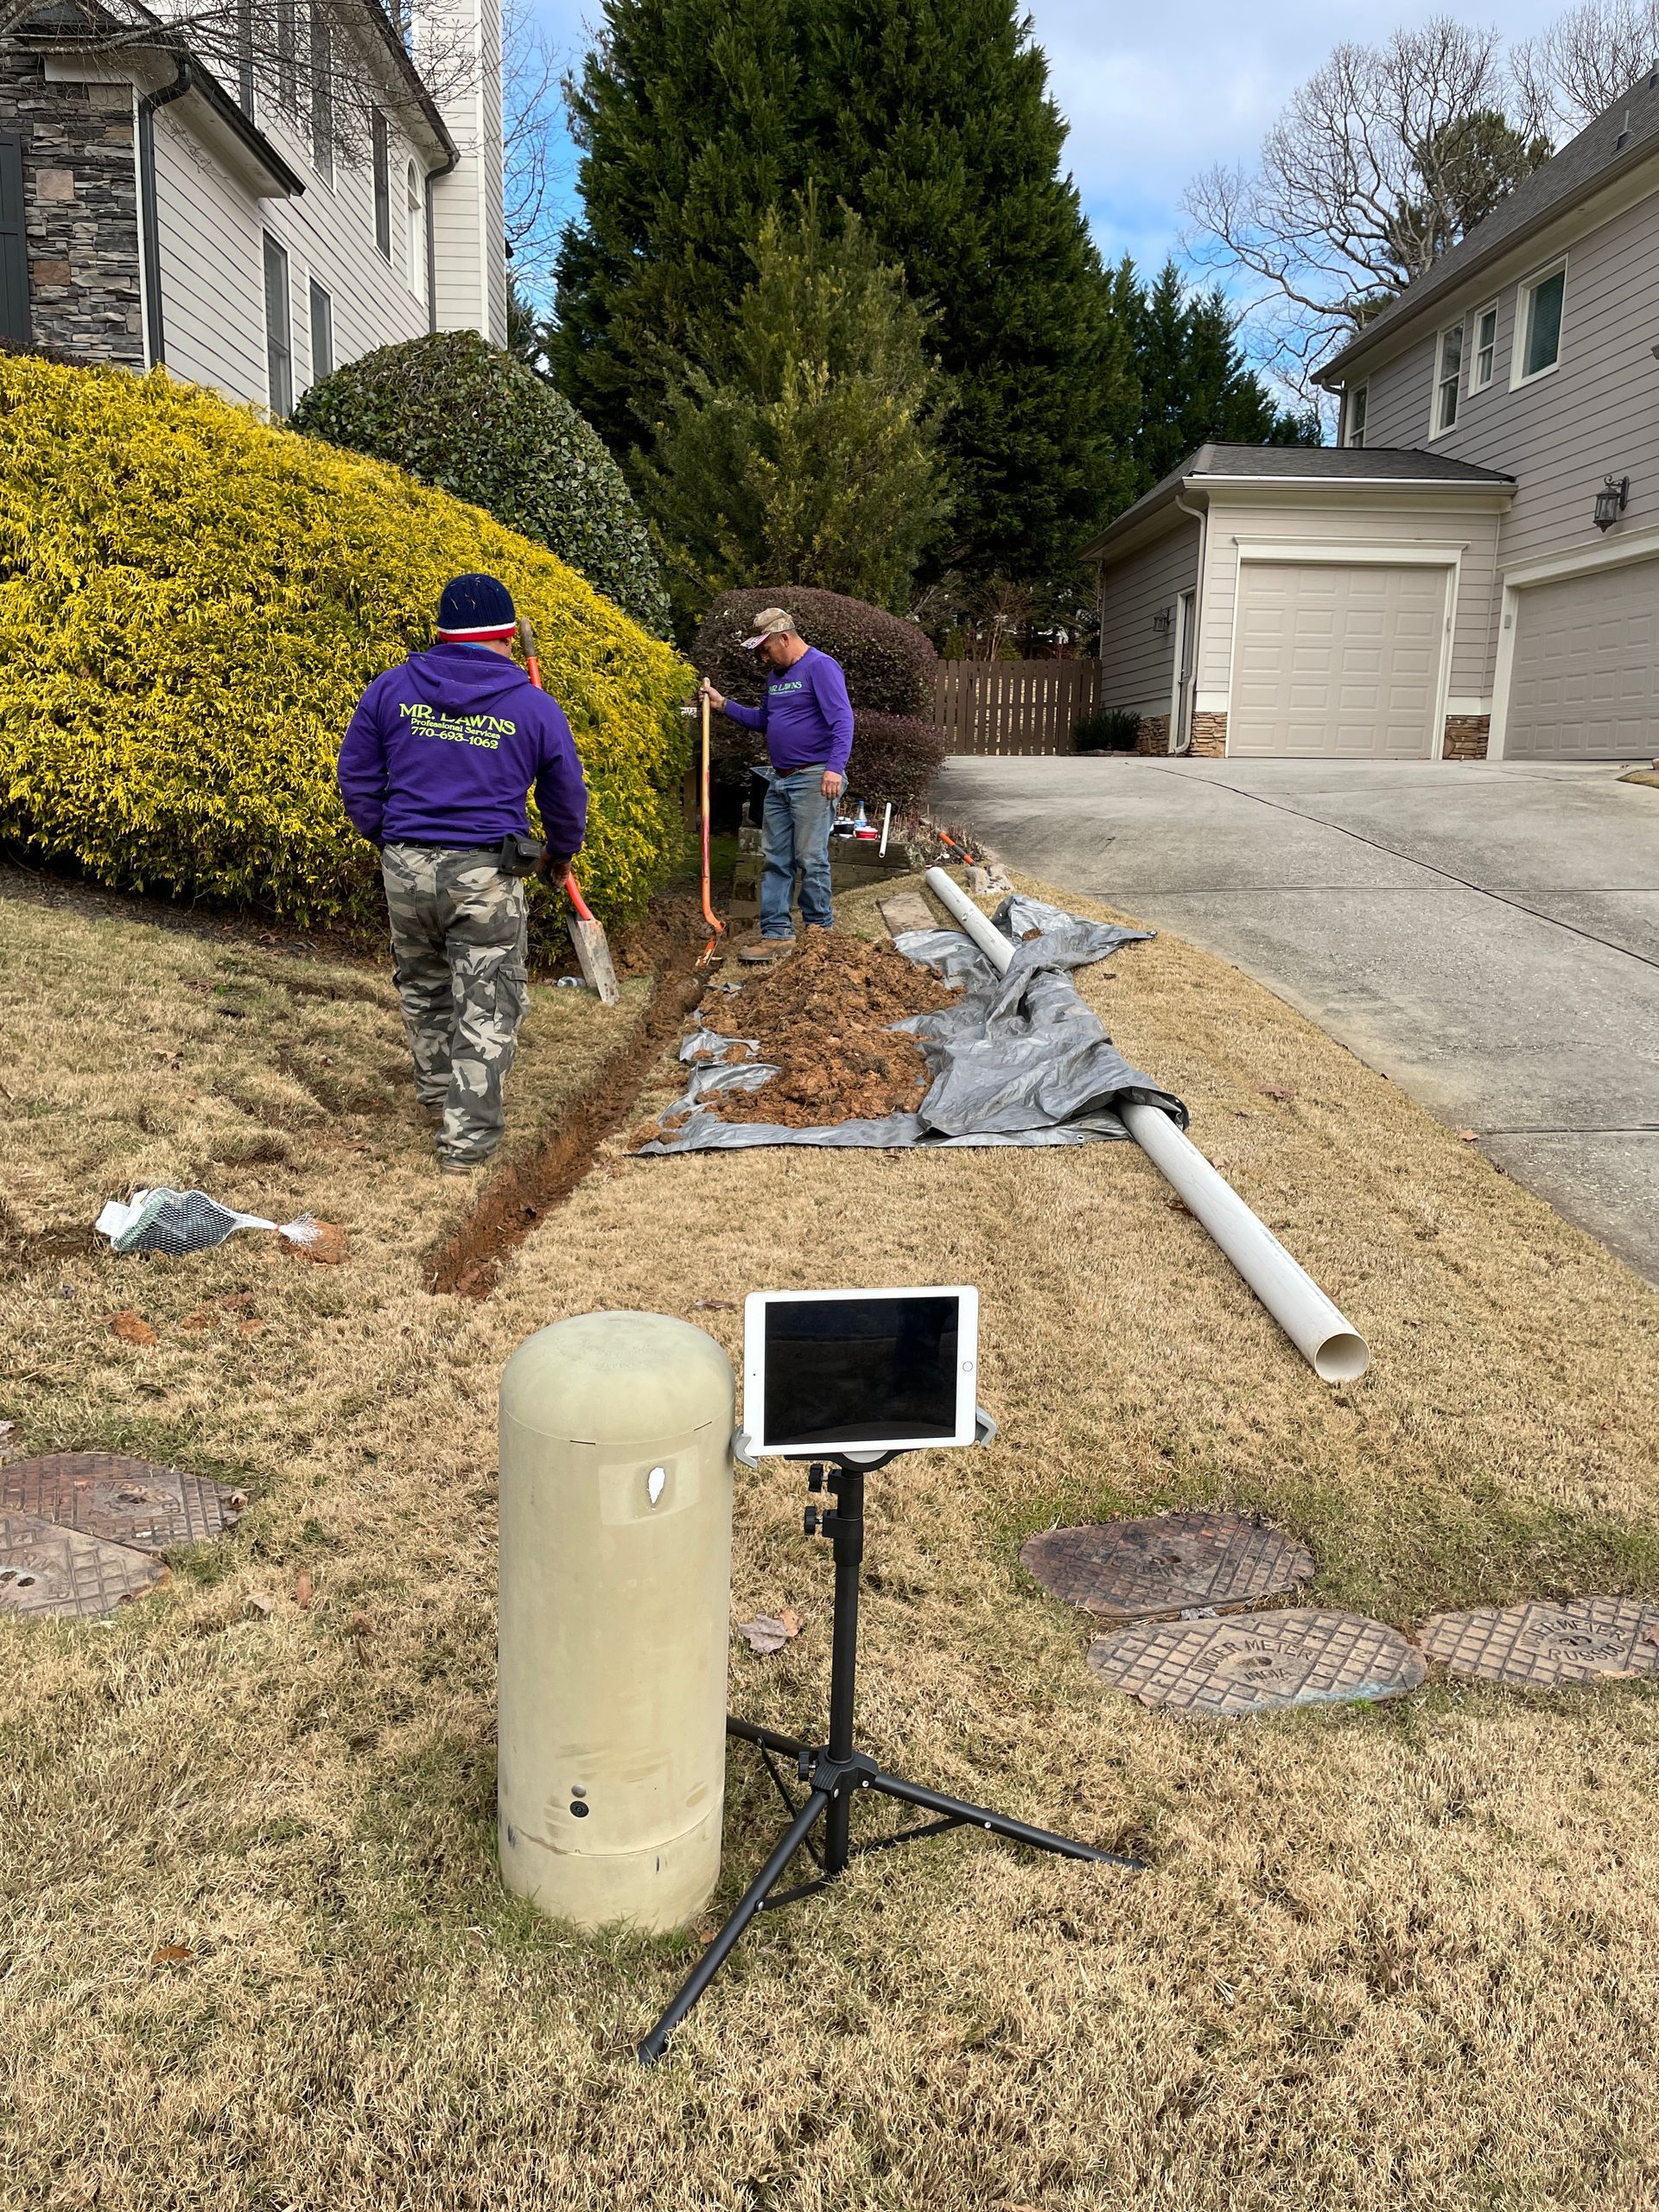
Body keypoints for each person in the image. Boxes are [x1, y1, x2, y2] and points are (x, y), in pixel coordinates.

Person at [337, 572, 588, 1175]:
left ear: (442, 633)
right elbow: (566, 795)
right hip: (484, 874)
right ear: (506, 636)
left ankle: (436, 1097)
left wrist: (385, 835)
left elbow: (357, 775)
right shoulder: (533, 706)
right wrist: (560, 852)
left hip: (406, 866)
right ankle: (465, 1142)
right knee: (490, 1001)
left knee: (423, 986)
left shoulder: (391, 689)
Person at [700, 607, 853, 963]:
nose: (761, 657)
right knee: (775, 859)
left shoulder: (821, 667)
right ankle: (777, 934)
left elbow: (843, 720)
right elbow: (764, 721)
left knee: (810, 858)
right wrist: (724, 705)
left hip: (815, 777)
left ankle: (819, 936)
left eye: (765, 649)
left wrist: (834, 768)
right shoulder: (775, 677)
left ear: (784, 637)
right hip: (779, 779)